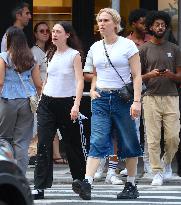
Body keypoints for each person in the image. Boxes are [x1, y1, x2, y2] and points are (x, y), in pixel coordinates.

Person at [72, 8, 142, 200]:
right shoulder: (95, 47)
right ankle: (87, 182)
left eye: (105, 20)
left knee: (128, 142)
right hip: (101, 99)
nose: (101, 24)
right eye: (99, 21)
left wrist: (137, 101)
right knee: (97, 139)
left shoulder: (128, 45)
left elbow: (136, 76)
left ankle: (131, 184)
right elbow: (93, 73)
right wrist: (93, 88)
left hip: (123, 100)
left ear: (115, 23)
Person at [32, 21, 86, 200]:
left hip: (67, 103)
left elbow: (80, 81)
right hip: (47, 104)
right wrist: (40, 101)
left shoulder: (74, 55)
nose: (53, 34)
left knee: (72, 145)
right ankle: (39, 187)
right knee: (43, 145)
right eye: (52, 31)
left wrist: (76, 105)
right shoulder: (50, 52)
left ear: (67, 35)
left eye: (58, 32)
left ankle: (81, 182)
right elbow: (48, 78)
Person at [139, 10, 181, 186]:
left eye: (163, 24)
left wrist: (171, 75)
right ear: (150, 27)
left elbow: (180, 77)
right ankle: (157, 171)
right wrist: (151, 75)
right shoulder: (143, 49)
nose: (160, 27)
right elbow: (137, 77)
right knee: (153, 138)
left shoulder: (175, 48)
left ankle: (167, 163)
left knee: (173, 137)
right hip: (150, 97)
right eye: (157, 24)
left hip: (172, 97)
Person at [0, 26, 42, 175]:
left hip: (7, 100)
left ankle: (5, 173)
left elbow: (0, 82)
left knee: (4, 139)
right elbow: (38, 84)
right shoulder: (31, 58)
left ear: (10, 39)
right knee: (22, 141)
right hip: (27, 101)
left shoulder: (4, 56)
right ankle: (20, 176)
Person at [120, 8, 152, 177]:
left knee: (149, 130)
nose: (145, 26)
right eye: (141, 22)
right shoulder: (125, 43)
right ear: (133, 23)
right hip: (131, 91)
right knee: (132, 128)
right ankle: (130, 164)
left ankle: (148, 165)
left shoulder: (151, 41)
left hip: (151, 90)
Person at [30, 21, 67, 165]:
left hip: (50, 91)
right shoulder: (34, 52)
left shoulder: (49, 51)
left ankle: (55, 155)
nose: (45, 33)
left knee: (53, 124)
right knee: (41, 126)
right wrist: (42, 93)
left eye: (47, 31)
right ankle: (43, 155)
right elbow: (36, 77)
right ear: (35, 34)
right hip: (41, 93)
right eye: (41, 31)